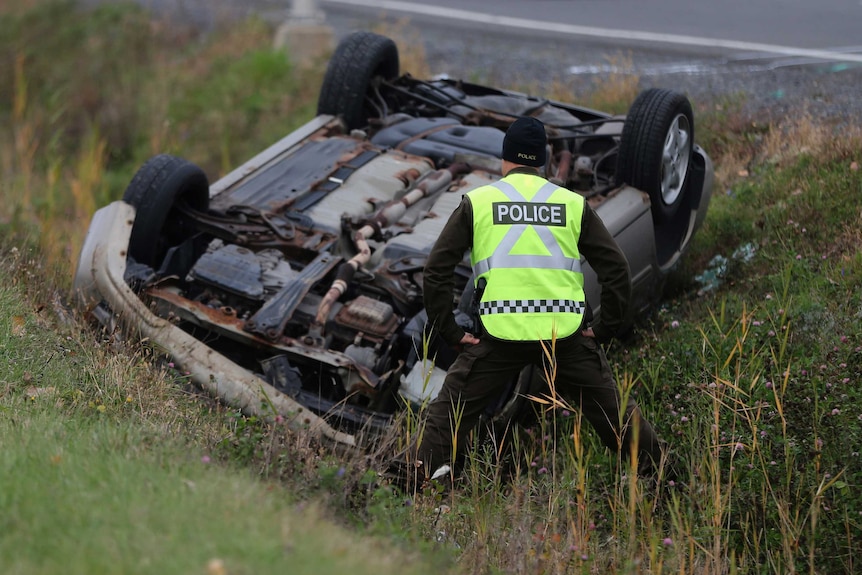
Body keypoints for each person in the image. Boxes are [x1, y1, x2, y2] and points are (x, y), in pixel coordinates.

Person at [414, 116, 665, 483]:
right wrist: (605, 328)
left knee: (448, 415)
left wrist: (450, 331)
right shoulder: (571, 204)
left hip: (500, 337)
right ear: (544, 161)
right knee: (616, 416)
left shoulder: (479, 202)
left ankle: (406, 488)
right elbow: (615, 268)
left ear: (504, 160)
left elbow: (436, 271)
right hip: (563, 339)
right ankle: (665, 480)